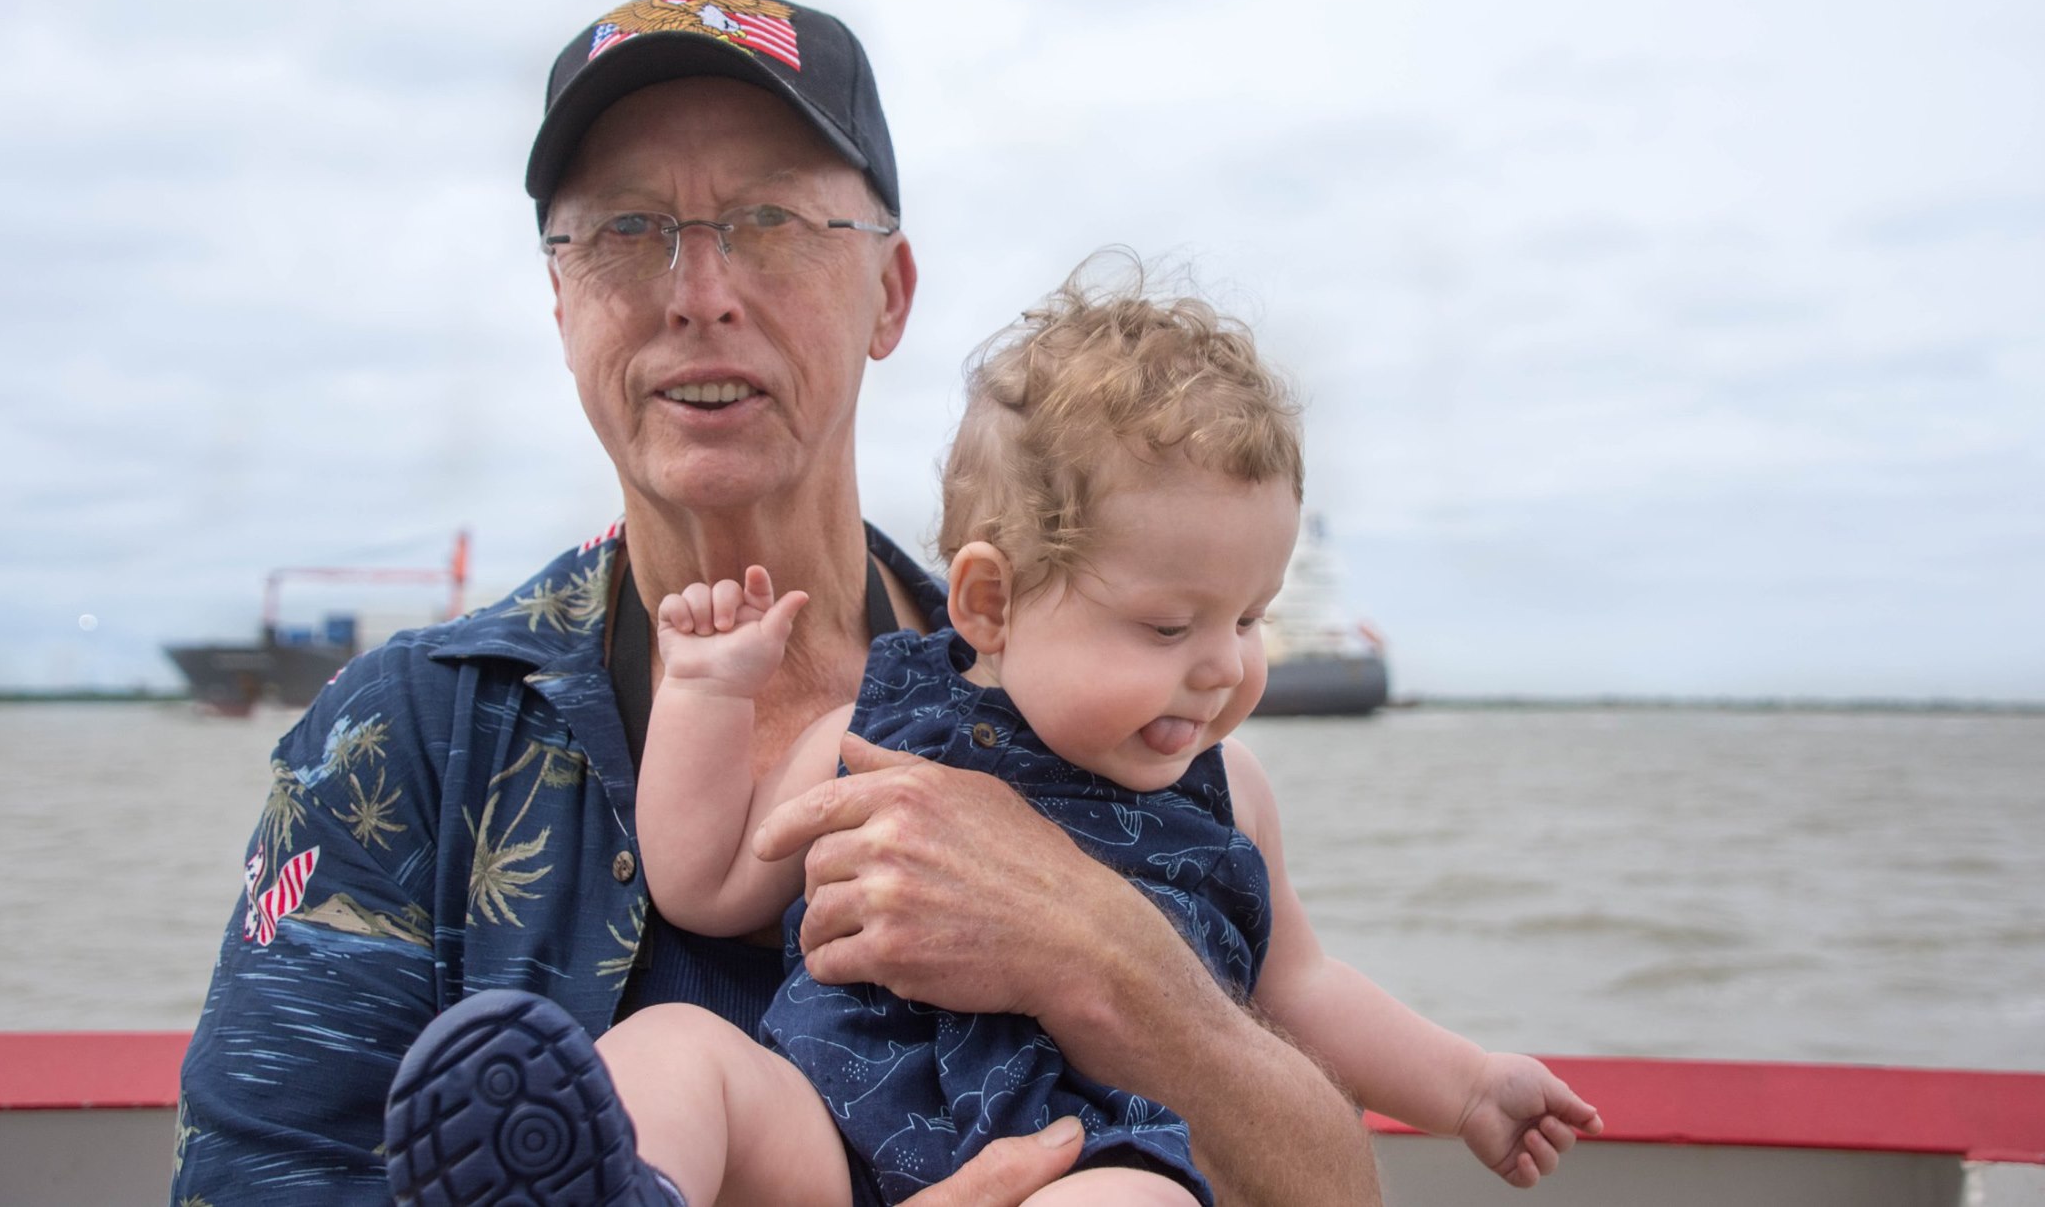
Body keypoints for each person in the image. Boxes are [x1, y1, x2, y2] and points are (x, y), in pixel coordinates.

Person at [172, 0, 1380, 1206]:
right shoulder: (405, 742)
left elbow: (1334, 1189)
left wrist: (1108, 960)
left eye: (770, 220)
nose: (698, 293)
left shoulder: (1104, 707)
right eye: (624, 230)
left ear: (889, 295)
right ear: (561, 303)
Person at [380, 275, 1602, 1207]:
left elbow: (1301, 990)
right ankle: (622, 1188)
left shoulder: (1230, 793)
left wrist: (1465, 1083)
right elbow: (702, 886)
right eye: (1167, 625)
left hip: (1079, 1155)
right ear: (989, 604)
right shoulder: (876, 738)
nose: (1223, 667)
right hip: (830, 1131)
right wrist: (704, 694)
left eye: (1246, 618)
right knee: (676, 1049)